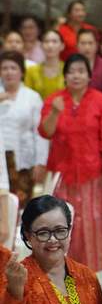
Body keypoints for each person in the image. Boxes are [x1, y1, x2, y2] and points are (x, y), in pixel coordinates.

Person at [39, 54, 102, 272]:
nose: (76, 75)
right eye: (71, 71)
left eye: (81, 71)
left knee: (91, 221)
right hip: (61, 172)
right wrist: (55, 111)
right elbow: (46, 131)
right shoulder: (54, 100)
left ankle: (90, 271)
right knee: (60, 220)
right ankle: (59, 267)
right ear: (65, 76)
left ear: (89, 76)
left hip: (92, 172)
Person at [0, 50, 45, 207]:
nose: (9, 72)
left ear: (22, 72)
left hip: (23, 160)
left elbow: (40, 132)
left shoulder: (32, 97)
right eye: (4, 68)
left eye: (13, 68)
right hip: (0, 157)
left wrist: (41, 161)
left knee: (21, 206)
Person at [24, 30, 65, 100]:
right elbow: (27, 98)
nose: (50, 45)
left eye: (54, 41)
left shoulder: (68, 70)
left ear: (62, 46)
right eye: (46, 42)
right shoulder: (31, 70)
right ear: (41, 45)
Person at [77, 29, 102, 100]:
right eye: (83, 43)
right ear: (77, 45)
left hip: (100, 107)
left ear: (97, 45)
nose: (87, 47)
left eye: (90, 43)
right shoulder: (71, 65)